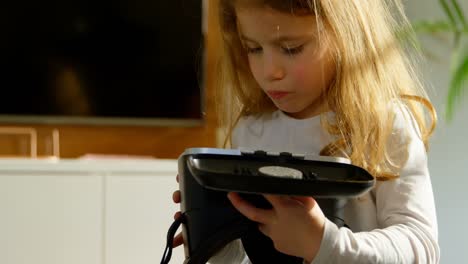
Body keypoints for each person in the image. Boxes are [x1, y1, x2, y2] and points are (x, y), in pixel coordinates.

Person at [172, 0, 440, 263]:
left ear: (346, 33)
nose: (270, 71)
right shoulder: (251, 129)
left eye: (291, 49)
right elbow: (244, 253)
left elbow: (422, 247)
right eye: (253, 48)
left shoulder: (384, 124)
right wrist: (217, 241)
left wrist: (323, 242)